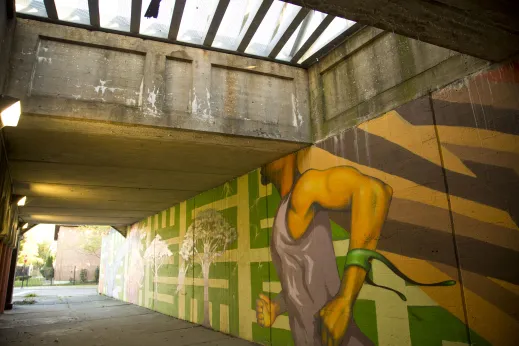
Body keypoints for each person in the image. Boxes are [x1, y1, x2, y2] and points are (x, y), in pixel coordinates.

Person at [255, 147, 454, 346]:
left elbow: (374, 192)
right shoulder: (283, 209)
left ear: (288, 152)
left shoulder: (305, 189)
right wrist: (277, 307)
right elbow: (299, 285)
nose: (260, 162)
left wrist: (345, 299)